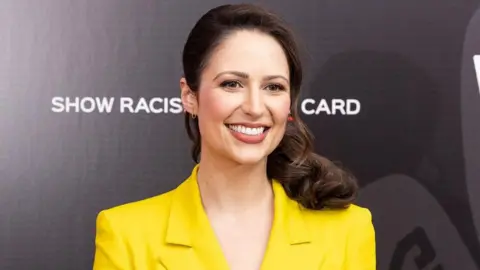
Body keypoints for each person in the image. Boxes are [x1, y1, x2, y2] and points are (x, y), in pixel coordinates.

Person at [93, 3, 375, 270]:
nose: (254, 107)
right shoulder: (126, 233)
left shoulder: (348, 229)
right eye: (232, 84)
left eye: (273, 87)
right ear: (189, 96)